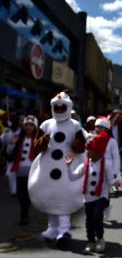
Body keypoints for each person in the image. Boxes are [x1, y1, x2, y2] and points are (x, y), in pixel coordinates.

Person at [29, 92, 86, 248]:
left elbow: (81, 146)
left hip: (67, 166)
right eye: (57, 107)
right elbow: (36, 147)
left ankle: (63, 230)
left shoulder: (75, 125)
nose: (60, 110)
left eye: (63, 107)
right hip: (47, 167)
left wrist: (75, 145)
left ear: (68, 107)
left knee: (64, 196)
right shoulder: (46, 124)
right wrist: (43, 140)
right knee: (49, 196)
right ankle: (52, 228)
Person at [66, 130, 119, 253]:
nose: (86, 152)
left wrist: (116, 182)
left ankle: (100, 239)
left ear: (96, 152)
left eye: (89, 150)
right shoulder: (85, 165)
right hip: (88, 197)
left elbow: (111, 180)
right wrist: (68, 166)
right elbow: (72, 177)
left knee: (97, 217)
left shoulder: (105, 164)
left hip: (101, 195)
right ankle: (91, 241)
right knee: (89, 220)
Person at [5, 115, 40, 225]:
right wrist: (11, 143)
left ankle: (24, 215)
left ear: (35, 127)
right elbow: (9, 153)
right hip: (20, 169)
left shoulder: (38, 139)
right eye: (26, 125)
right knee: (21, 194)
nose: (28, 127)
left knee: (28, 194)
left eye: (31, 125)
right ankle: (24, 213)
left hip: (32, 169)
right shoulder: (18, 138)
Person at [95, 116, 122, 193]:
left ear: (106, 129)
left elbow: (116, 158)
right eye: (96, 127)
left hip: (108, 169)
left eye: (101, 127)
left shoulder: (112, 141)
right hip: (95, 168)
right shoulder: (92, 139)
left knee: (105, 191)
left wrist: (114, 171)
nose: (98, 129)